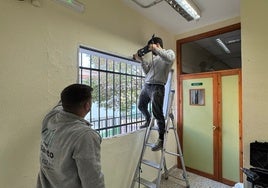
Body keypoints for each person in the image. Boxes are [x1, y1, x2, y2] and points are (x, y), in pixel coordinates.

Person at [36, 84, 105, 188]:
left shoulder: (52, 117)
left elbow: (61, 105)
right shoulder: (84, 136)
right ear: (87, 105)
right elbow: (92, 180)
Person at [133, 36, 175, 151]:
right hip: (147, 85)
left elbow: (170, 59)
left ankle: (161, 139)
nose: (151, 50)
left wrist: (156, 49)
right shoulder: (155, 59)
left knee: (157, 113)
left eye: (151, 47)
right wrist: (141, 60)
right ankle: (148, 120)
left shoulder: (168, 53)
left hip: (158, 86)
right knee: (141, 106)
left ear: (157, 44)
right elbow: (148, 72)